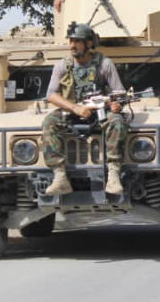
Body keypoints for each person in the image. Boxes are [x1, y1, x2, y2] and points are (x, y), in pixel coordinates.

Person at [42, 22, 128, 198]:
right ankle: (60, 177)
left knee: (117, 122)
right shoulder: (62, 66)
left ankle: (113, 173)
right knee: (49, 122)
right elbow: (51, 94)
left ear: (89, 43)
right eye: (71, 41)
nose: (72, 45)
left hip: (100, 112)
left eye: (77, 41)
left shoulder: (104, 64)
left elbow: (119, 93)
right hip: (72, 112)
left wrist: (117, 105)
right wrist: (75, 107)